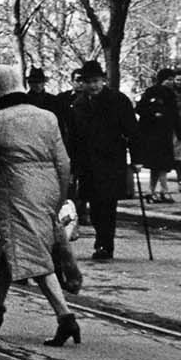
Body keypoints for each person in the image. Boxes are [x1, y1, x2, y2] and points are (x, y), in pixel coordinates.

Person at [0, 65, 80, 346]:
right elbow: (64, 161)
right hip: (47, 190)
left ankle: (65, 317)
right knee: (9, 250)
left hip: (15, 193)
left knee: (31, 254)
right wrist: (59, 195)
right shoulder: (47, 117)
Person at [67, 60, 137, 261]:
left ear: (104, 80)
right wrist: (72, 163)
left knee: (108, 203)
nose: (93, 86)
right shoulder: (78, 104)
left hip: (111, 160)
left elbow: (132, 130)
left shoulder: (118, 100)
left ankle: (105, 245)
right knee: (94, 205)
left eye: (97, 81)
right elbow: (72, 136)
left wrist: (137, 159)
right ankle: (101, 239)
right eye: (89, 82)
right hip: (87, 162)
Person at [135, 68, 181, 202]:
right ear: (162, 79)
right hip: (152, 133)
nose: (171, 82)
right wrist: (153, 114)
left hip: (165, 133)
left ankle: (152, 190)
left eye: (172, 79)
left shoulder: (171, 94)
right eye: (169, 79)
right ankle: (163, 190)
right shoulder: (151, 92)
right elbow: (140, 109)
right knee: (158, 163)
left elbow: (175, 116)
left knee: (161, 164)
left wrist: (180, 134)